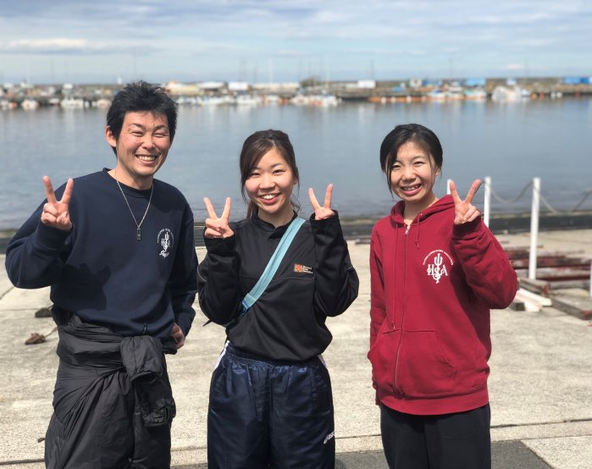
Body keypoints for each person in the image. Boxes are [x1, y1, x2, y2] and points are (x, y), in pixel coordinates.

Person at [5, 81, 198, 469]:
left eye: (160, 133)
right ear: (112, 135)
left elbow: (184, 279)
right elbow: (21, 272)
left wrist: (180, 319)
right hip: (89, 368)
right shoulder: (77, 197)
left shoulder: (173, 204)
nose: (149, 144)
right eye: (137, 132)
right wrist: (49, 235)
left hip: (148, 369)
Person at [197, 129, 359, 469]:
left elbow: (335, 303)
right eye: (254, 174)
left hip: (301, 380)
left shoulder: (316, 236)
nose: (266, 184)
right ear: (245, 182)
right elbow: (218, 310)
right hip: (240, 378)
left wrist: (329, 236)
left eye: (277, 171)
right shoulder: (233, 237)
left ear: (294, 175)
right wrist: (221, 252)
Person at [368, 123, 518, 469]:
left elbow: (502, 293)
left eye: (418, 163)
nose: (407, 175)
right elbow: (379, 311)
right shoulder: (382, 232)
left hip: (457, 399)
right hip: (397, 400)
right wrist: (381, 368)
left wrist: (471, 235)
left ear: (437, 167)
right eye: (395, 166)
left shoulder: (461, 223)